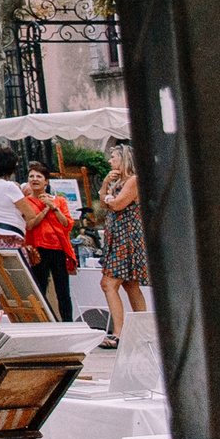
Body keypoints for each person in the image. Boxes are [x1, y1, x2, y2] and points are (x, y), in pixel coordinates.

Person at [98, 145, 148, 341]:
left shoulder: (134, 180)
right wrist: (105, 185)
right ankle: (143, 332)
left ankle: (119, 333)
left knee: (108, 284)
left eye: (113, 157)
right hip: (118, 237)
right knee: (130, 285)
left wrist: (109, 198)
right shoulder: (118, 182)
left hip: (127, 238)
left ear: (124, 159)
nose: (110, 161)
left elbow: (117, 204)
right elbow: (104, 203)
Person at [19, 166, 80, 321]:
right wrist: (45, 210)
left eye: (38, 176)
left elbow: (67, 224)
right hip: (38, 249)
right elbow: (29, 225)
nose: (34, 179)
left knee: (63, 290)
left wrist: (54, 207)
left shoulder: (59, 201)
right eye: (31, 176)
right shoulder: (26, 202)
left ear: (46, 181)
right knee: (40, 288)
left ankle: (68, 322)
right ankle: (41, 321)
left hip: (58, 248)